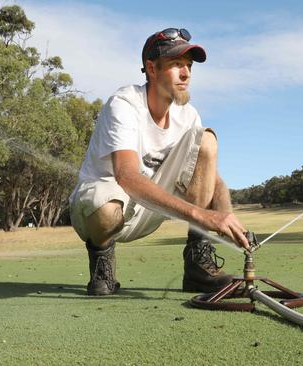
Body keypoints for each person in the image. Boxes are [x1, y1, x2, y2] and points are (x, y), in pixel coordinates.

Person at [69, 28, 250, 296]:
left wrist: (225, 214)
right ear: (152, 69)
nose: (186, 73)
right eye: (177, 65)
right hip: (102, 210)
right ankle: (102, 262)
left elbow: (209, 176)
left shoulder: (188, 116)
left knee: (207, 140)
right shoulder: (124, 103)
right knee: (107, 210)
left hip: (150, 208)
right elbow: (127, 176)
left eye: (188, 66)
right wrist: (202, 214)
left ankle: (197, 264)